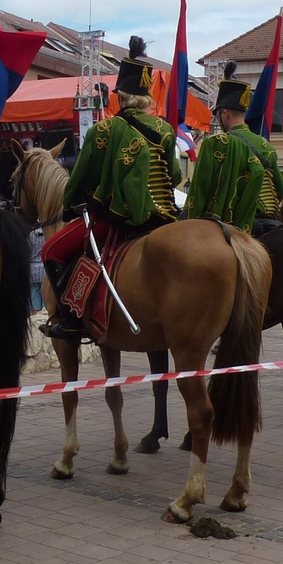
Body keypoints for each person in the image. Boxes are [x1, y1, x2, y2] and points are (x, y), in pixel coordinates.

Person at [40, 36, 178, 339]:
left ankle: (70, 319)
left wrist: (69, 204)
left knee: (51, 249)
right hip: (166, 215)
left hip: (120, 217)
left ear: (122, 96)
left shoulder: (106, 128)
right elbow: (176, 175)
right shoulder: (165, 129)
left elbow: (81, 178)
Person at [184, 62, 277, 231]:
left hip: (226, 225)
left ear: (224, 113)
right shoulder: (266, 146)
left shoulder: (215, 143)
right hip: (263, 223)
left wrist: (187, 222)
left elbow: (200, 189)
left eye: (218, 115)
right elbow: (279, 187)